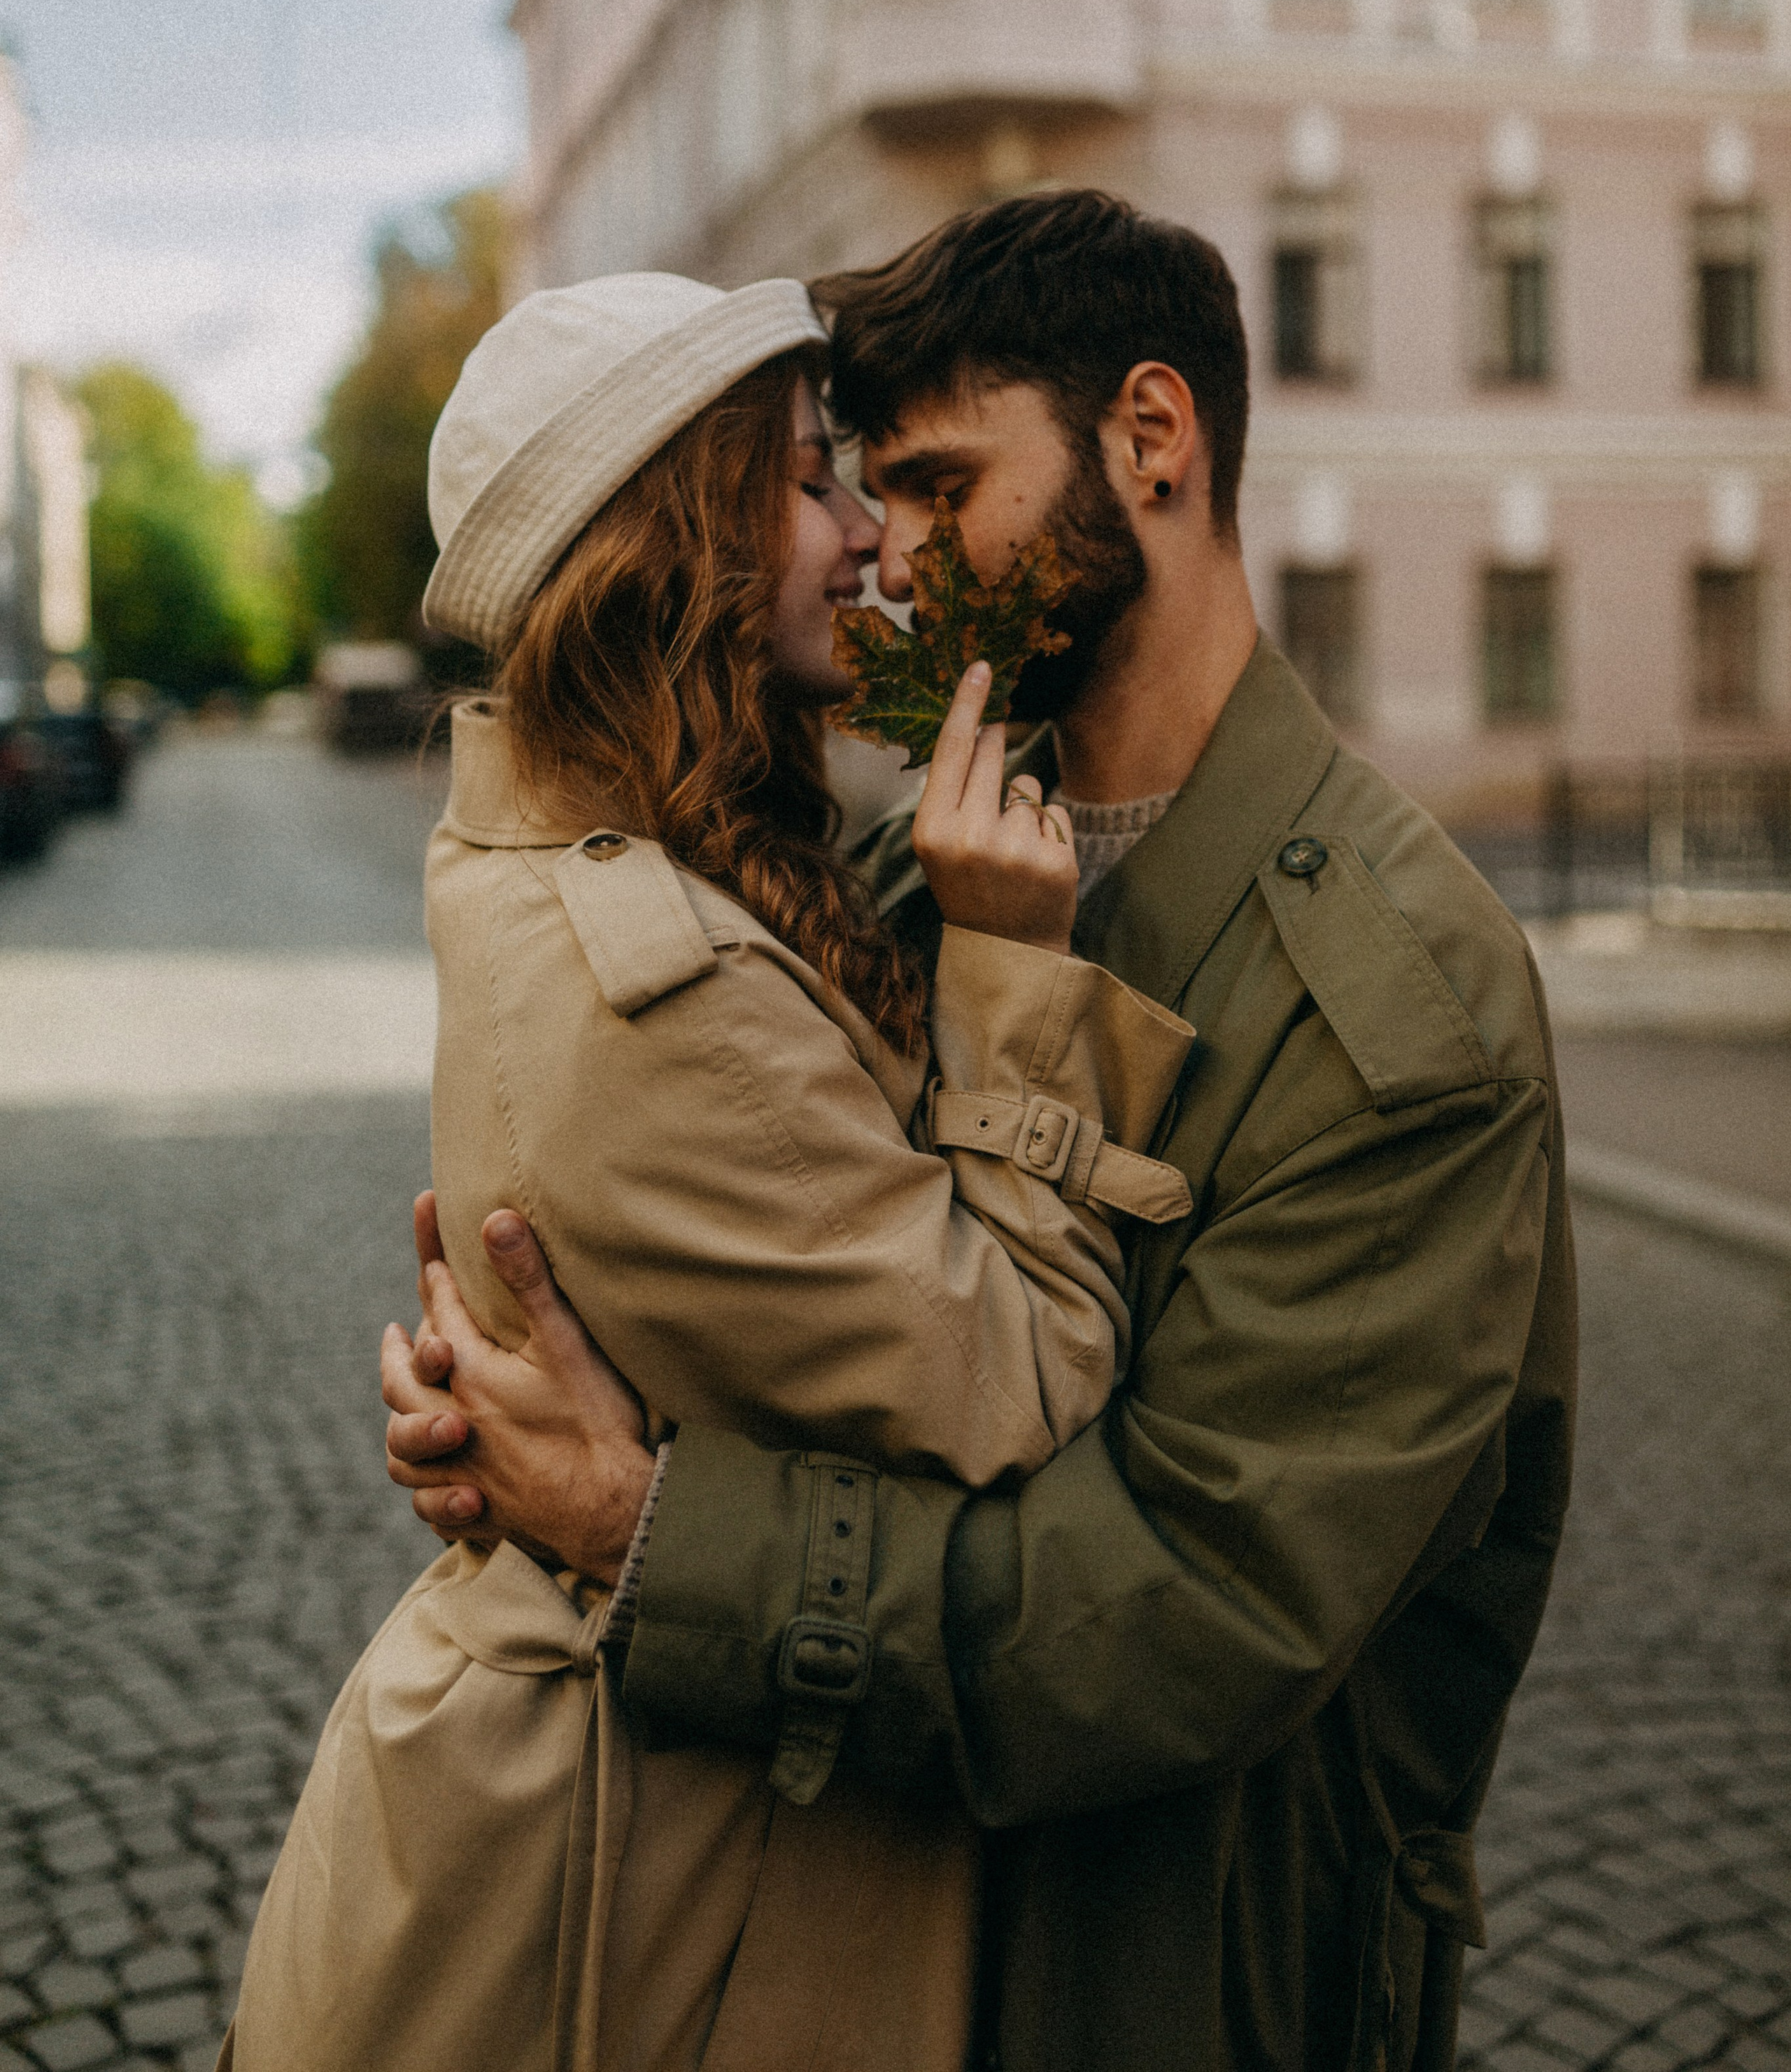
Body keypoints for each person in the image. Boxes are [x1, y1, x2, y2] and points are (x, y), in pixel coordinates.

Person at [385, 193, 1578, 2072]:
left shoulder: (1398, 1001)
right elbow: (828, 1322)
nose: (889, 555)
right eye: (864, 494)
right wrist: (521, 1378)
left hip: (1184, 1976)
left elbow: (1194, 1607)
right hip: (864, 1936)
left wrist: (642, 1524)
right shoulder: (911, 873)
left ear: (1153, 441)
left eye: (943, 488)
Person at [222, 269, 1202, 2072]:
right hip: (621, 1928)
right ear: (681, 543)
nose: (868, 539)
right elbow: (1029, 1385)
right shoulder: (660, 984)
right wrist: (1013, 972)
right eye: (814, 482)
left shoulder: (617, 861)